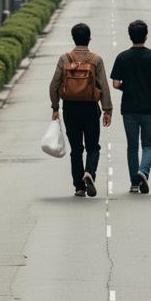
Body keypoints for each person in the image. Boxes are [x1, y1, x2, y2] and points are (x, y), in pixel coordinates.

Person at [110, 19, 151, 194]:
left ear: (129, 36)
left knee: (132, 146)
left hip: (129, 108)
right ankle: (143, 171)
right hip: (150, 108)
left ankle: (134, 183)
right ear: (146, 36)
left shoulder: (122, 57)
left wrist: (127, 87)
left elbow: (115, 84)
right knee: (149, 145)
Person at [49, 23, 112, 197]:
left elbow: (53, 85)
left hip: (70, 108)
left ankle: (79, 187)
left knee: (76, 149)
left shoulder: (64, 59)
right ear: (89, 38)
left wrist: (55, 107)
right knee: (93, 147)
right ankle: (89, 172)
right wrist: (107, 110)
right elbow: (104, 87)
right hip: (90, 108)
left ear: (73, 38)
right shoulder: (96, 60)